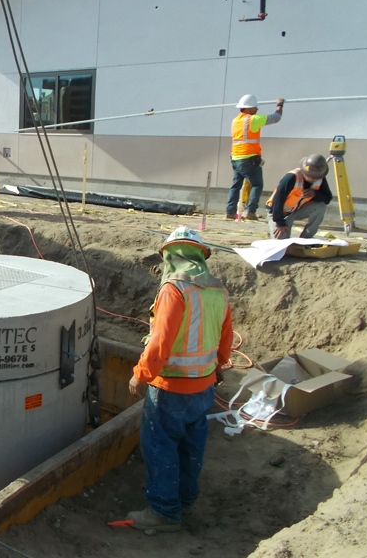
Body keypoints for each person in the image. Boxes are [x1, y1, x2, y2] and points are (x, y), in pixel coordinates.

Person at [126, 227, 232, 532]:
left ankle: (163, 511)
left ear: (171, 255)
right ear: (200, 256)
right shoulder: (218, 290)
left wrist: (140, 375)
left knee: (160, 447)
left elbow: (161, 343)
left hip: (171, 388)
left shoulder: (174, 289)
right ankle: (185, 500)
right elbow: (224, 342)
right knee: (191, 447)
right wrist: (217, 366)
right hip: (204, 388)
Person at [225, 94, 284, 221]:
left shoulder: (236, 120)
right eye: (255, 107)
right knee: (257, 184)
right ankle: (250, 211)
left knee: (235, 185)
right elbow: (276, 117)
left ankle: (230, 212)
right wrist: (279, 104)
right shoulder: (252, 119)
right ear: (248, 108)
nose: (257, 110)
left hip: (236, 157)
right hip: (248, 158)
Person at [266, 154, 332, 239]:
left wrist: (315, 194)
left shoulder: (320, 178)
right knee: (282, 242)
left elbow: (327, 198)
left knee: (321, 207)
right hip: (278, 212)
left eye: (316, 177)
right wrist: (280, 223)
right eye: (311, 176)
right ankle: (273, 228)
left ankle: (306, 239)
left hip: (297, 210)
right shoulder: (292, 177)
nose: (314, 179)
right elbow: (278, 200)